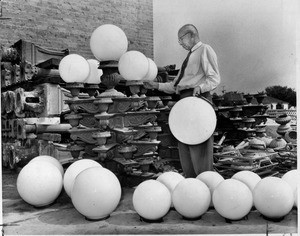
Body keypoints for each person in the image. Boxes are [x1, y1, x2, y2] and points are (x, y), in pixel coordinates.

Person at [143, 24, 221, 177]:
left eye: (181, 39)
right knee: (185, 144)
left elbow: (215, 78)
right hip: (184, 104)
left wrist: (201, 87)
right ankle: (191, 183)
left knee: (199, 145)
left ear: (192, 35)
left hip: (198, 101)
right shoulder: (189, 57)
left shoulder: (205, 49)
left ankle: (205, 183)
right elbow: (175, 86)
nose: (180, 43)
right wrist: (156, 85)